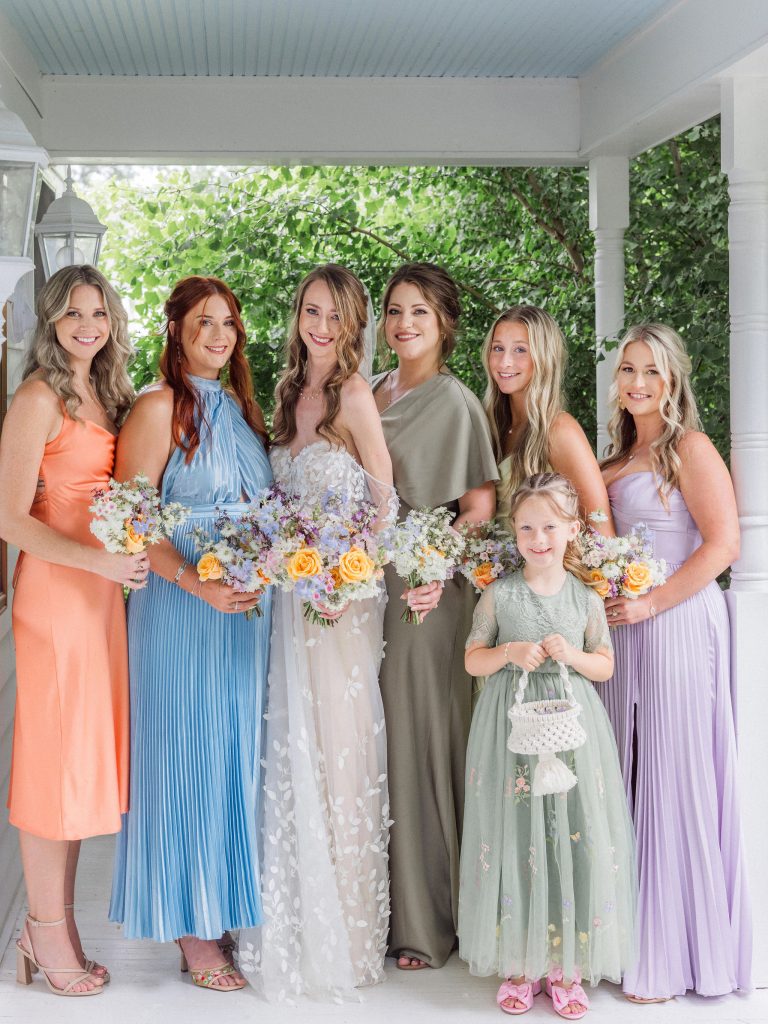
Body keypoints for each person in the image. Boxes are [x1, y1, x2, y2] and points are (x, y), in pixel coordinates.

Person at [109, 276, 271, 992]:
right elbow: (131, 526)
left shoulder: (238, 409)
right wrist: (195, 582)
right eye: (204, 322)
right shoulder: (156, 407)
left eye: (229, 323)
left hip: (241, 615)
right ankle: (189, 926)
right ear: (174, 328)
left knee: (233, 755)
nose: (219, 335)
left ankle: (223, 903)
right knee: (184, 756)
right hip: (179, 609)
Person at [238, 264, 395, 1002]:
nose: (321, 326)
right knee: (287, 748)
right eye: (310, 310)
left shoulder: (354, 395)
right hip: (284, 602)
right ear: (297, 315)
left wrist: (346, 577)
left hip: (339, 607)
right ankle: (289, 921)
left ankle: (346, 931)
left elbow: (385, 501)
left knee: (336, 751)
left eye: (334, 315)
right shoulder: (285, 393)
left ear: (353, 322)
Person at [0, 265, 146, 997]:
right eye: (71, 313)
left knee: (83, 769)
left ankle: (52, 924)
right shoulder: (36, 397)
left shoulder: (108, 393)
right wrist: (98, 560)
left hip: (101, 600)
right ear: (51, 323)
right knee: (52, 766)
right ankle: (42, 933)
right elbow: (8, 518)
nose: (87, 324)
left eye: (98, 311)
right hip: (58, 597)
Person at [596, 323, 751, 1002]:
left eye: (651, 371)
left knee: (671, 774)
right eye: (628, 369)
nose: (637, 382)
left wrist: (654, 602)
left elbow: (722, 546)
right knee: (625, 775)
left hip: (678, 619)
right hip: (624, 628)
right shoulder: (612, 459)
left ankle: (675, 957)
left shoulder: (689, 448)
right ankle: (624, 941)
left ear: (673, 379)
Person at [460, 472, 636, 1019]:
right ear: (514, 532)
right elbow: (472, 657)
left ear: (572, 530)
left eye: (550, 527)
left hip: (572, 728)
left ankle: (566, 966)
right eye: (527, 528)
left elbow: (604, 666)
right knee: (515, 832)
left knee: (570, 830)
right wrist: (510, 651)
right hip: (510, 729)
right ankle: (518, 961)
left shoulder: (584, 597)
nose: (539, 539)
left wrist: (570, 655)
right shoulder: (498, 594)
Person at [372, 263, 498, 970]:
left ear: (444, 323)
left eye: (419, 312)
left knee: (422, 746)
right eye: (394, 311)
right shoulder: (371, 389)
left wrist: (435, 568)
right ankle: (378, 909)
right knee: (378, 744)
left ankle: (429, 922)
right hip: (366, 586)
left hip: (428, 591)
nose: (404, 324)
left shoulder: (455, 403)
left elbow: (478, 510)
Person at [482, 306, 611, 533]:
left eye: (520, 350)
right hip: (485, 566)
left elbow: (601, 531)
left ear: (544, 357)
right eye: (498, 348)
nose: (505, 362)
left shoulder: (559, 430)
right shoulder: (489, 423)